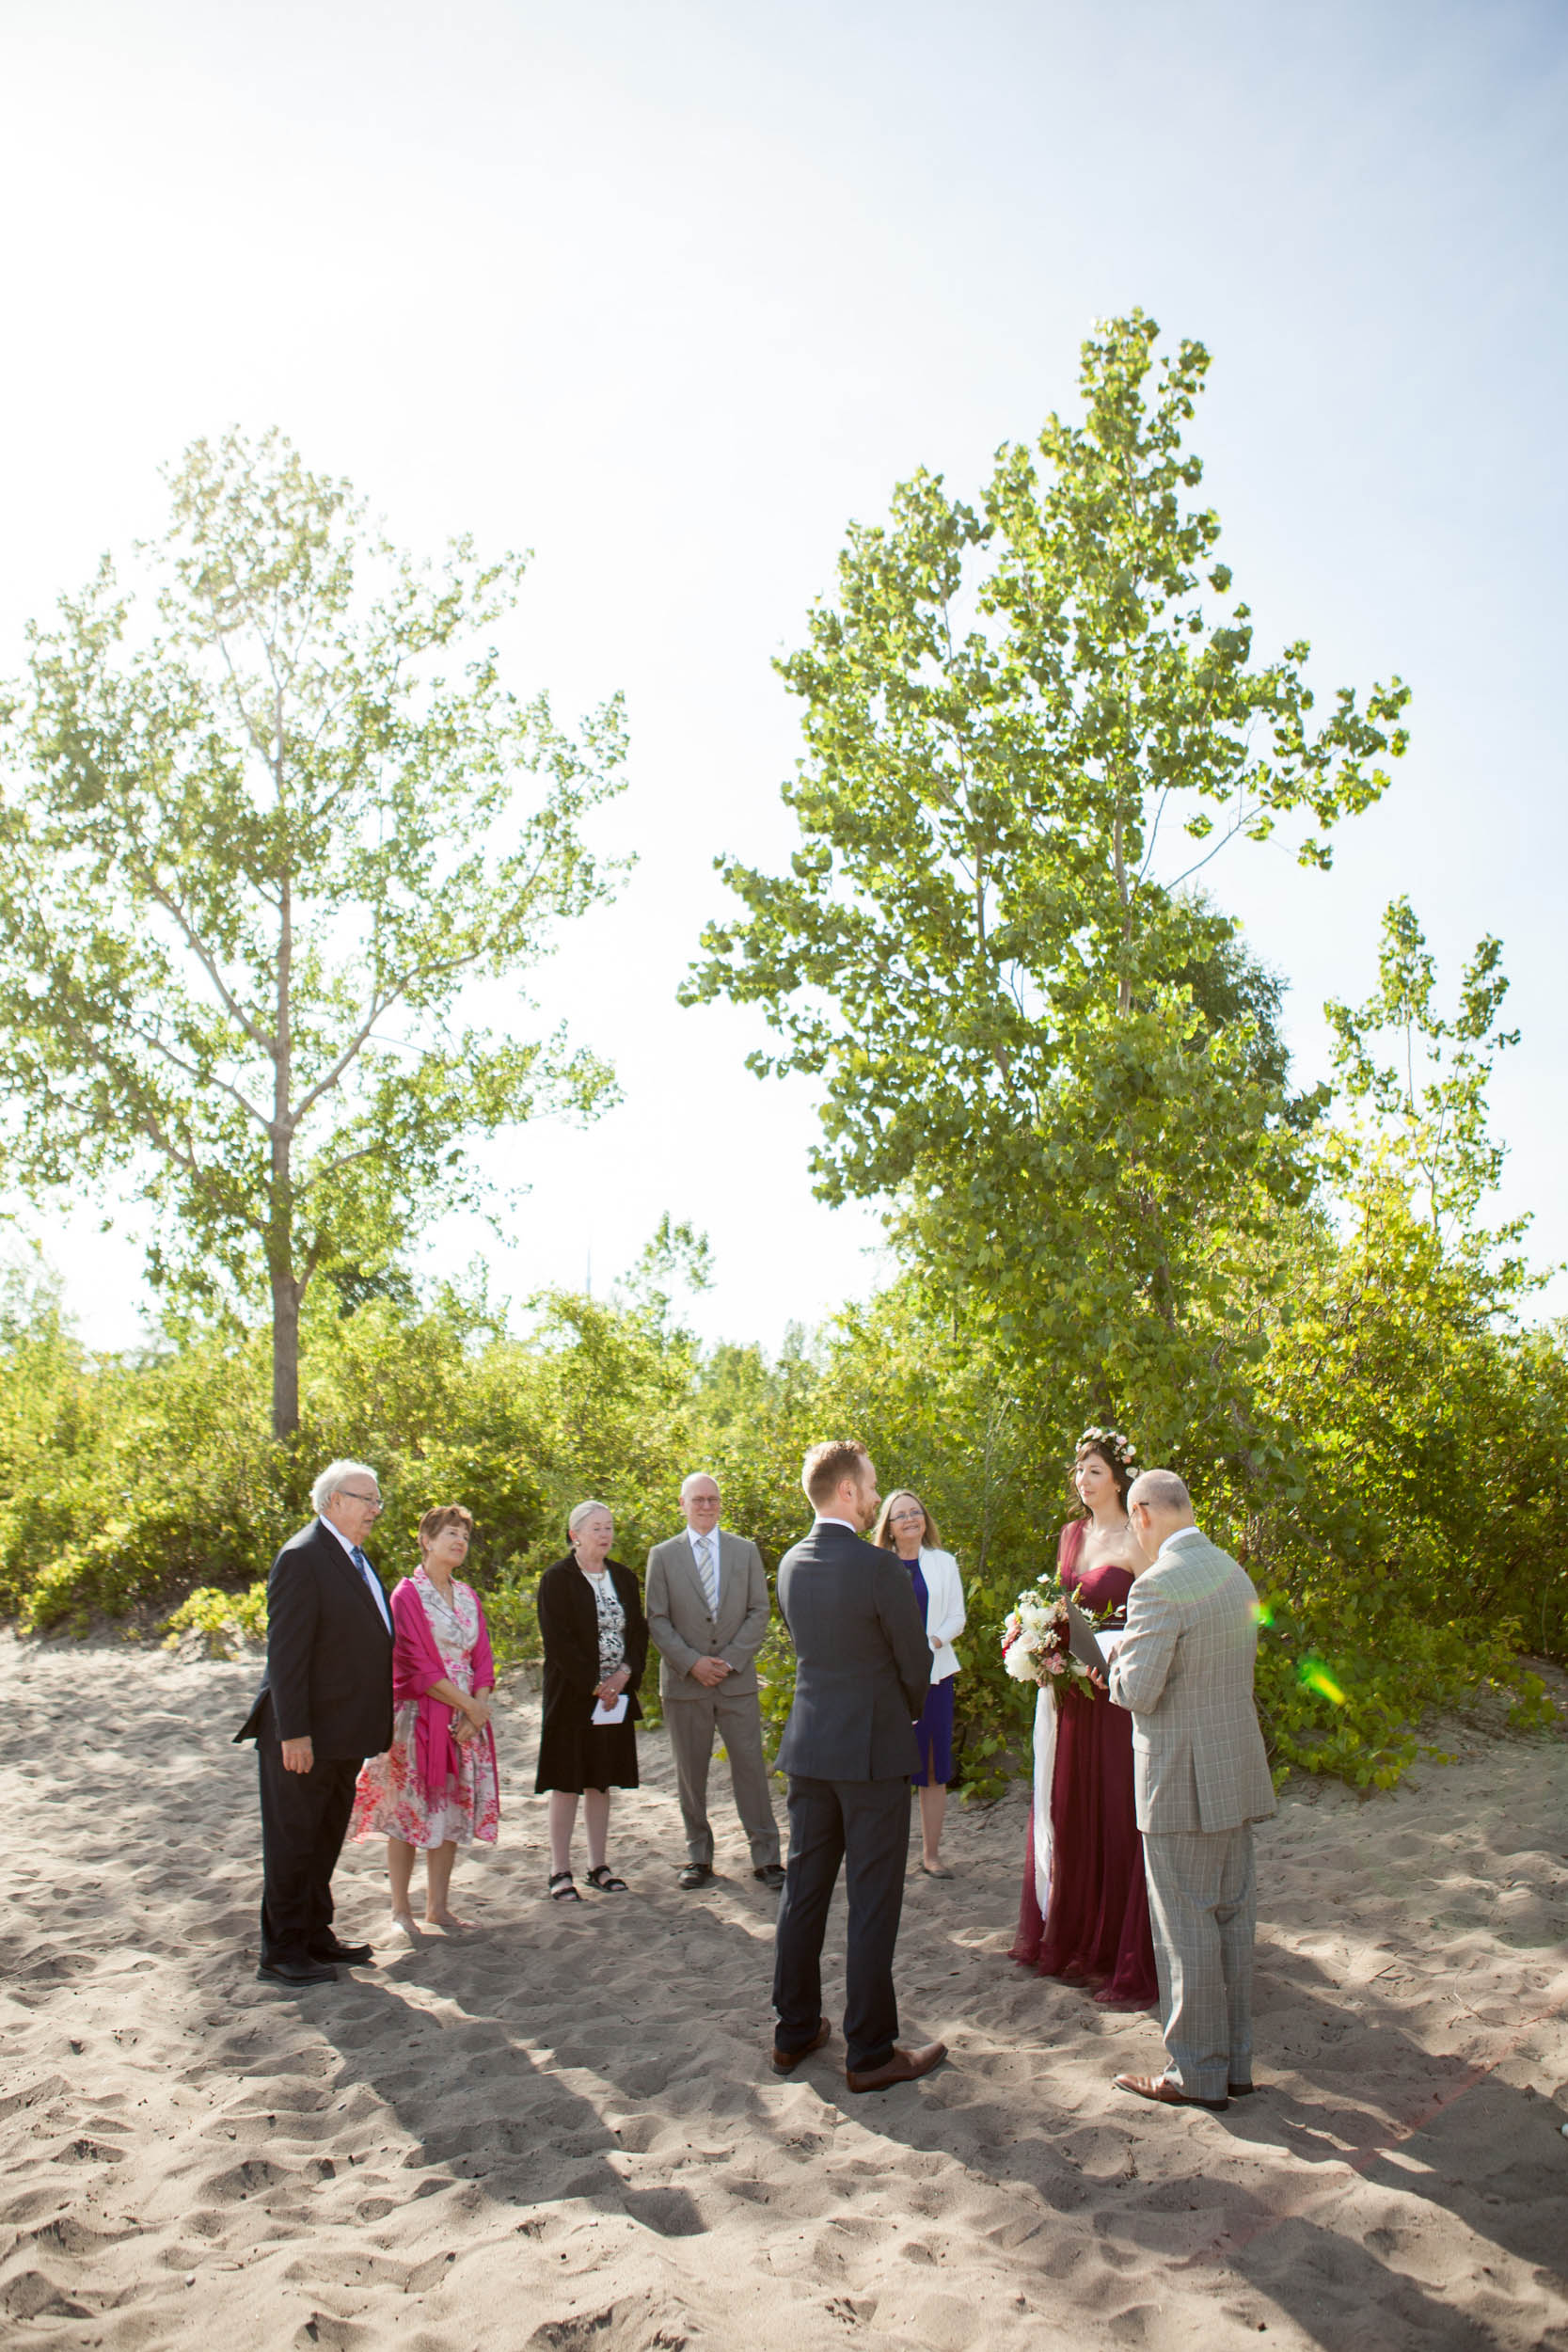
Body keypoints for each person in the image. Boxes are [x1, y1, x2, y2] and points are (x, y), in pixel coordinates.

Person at [770, 1440, 947, 2093]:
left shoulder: (789, 1562)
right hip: (871, 1752)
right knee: (872, 1902)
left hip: (809, 1748)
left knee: (803, 1892)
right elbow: (914, 1666)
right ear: (846, 1491)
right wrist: (894, 1714)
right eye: (870, 1485)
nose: (875, 1496)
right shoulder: (878, 1568)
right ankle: (869, 2051)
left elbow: (809, 1650)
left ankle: (793, 2032)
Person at [1103, 1468, 1276, 2113]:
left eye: (1131, 1520)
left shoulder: (1157, 1587)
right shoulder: (1234, 1575)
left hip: (1178, 1776)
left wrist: (1114, 1659)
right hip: (1233, 1771)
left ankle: (1194, 2074)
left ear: (1144, 1513)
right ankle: (1233, 2065)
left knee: (1186, 1930)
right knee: (1231, 1918)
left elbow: (1137, 1692)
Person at [1010, 1427, 1159, 2007]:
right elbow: (1065, 1607)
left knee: (1117, 1806)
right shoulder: (1071, 1535)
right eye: (1078, 1470)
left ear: (1119, 1477)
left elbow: (1150, 1611)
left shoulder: (1140, 1534)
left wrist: (1117, 1658)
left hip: (1115, 1691)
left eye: (1094, 1470)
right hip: (1074, 1689)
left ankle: (1117, 1943)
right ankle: (1073, 1933)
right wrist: (1042, 1641)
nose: (1083, 1479)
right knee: (1071, 1804)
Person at [234, 1459, 394, 1986]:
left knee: (324, 1836)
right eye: (367, 1498)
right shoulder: (302, 1556)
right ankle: (281, 1950)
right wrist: (293, 1732)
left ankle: (315, 1935)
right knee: (293, 1839)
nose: (376, 1508)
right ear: (333, 1501)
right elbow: (287, 1654)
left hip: (344, 1732)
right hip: (303, 1733)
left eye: (377, 1500)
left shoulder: (353, 1557)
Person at [350, 1503, 499, 1939]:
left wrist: (478, 1706)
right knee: (409, 1813)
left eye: (465, 1537)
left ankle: (439, 1906)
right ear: (426, 1540)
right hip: (419, 1716)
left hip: (467, 1718)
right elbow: (415, 1665)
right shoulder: (406, 1595)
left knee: (451, 1810)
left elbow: (484, 1659)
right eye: (450, 1533)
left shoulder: (469, 1596)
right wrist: (469, 1707)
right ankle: (400, 1908)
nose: (459, 1542)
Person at [645, 1470, 784, 1891]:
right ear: (682, 1505)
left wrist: (728, 1661)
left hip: (736, 1681)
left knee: (751, 1770)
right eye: (698, 1499)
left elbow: (759, 1610)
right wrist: (693, 1663)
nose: (706, 1506)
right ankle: (698, 1856)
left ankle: (766, 1858)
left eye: (713, 1499)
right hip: (686, 1684)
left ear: (720, 1503)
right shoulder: (663, 1555)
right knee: (691, 1773)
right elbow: (657, 1618)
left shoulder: (744, 1552)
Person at [534, 1500, 648, 1902]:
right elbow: (559, 1642)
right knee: (567, 1783)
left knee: (601, 1781)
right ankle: (559, 1870)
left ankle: (599, 1865)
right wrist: (595, 1685)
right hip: (572, 1696)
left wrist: (623, 1676)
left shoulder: (624, 1577)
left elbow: (638, 1633)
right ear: (575, 1534)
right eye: (596, 1528)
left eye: (609, 1527)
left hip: (615, 1696)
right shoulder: (557, 1579)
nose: (605, 1534)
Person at [870, 1489, 965, 1877]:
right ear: (888, 1528)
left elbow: (956, 1617)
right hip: (888, 1681)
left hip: (935, 1676)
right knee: (888, 1771)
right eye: (900, 1515)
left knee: (931, 1768)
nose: (910, 1519)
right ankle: (885, 1857)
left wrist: (927, 1646)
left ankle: (931, 1855)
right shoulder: (876, 1566)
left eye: (915, 1512)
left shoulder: (943, 1563)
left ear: (924, 1519)